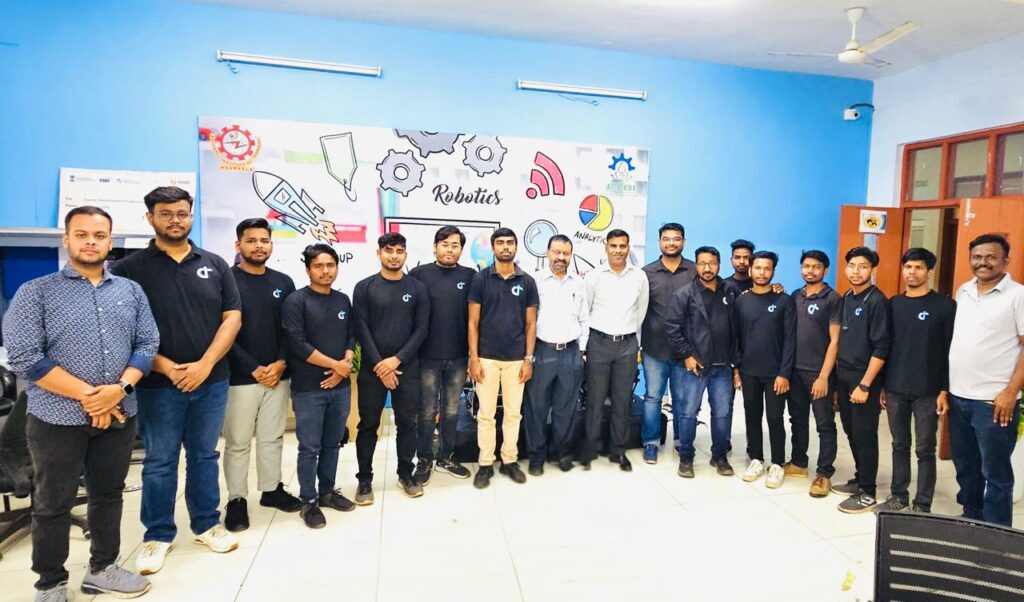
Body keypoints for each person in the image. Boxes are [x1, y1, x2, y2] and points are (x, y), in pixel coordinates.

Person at [4, 206, 159, 601]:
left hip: (119, 413)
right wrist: (93, 398)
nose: (91, 241)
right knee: (52, 502)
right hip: (56, 419)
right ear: (67, 239)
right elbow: (25, 356)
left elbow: (147, 344)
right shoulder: (36, 292)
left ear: (110, 241)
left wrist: (118, 391)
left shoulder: (130, 291)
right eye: (82, 234)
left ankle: (103, 568)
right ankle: (50, 582)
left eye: (99, 235)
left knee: (108, 494)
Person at [110, 187, 242, 574]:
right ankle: (158, 534)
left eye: (182, 213)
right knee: (160, 461)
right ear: (150, 217)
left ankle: (206, 524)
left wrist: (205, 364)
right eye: (165, 214)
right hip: (157, 385)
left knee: (204, 455)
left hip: (211, 381)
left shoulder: (215, 264)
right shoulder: (130, 269)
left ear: (191, 215)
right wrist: (167, 367)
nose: (175, 220)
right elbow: (124, 331)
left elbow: (232, 317)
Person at [222, 218, 301, 533]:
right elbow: (221, 333)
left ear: (271, 244)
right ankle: (236, 499)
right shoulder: (226, 281)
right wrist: (253, 367)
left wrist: (281, 362)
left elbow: (291, 330)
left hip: (278, 375)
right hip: (239, 378)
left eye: (264, 240)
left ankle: (271, 490)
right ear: (238, 244)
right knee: (238, 442)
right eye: (251, 240)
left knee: (272, 437)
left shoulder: (283, 282)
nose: (258, 246)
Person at [948, 233, 1024, 526]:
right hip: (959, 396)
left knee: (996, 474)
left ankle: (996, 534)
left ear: (1006, 260)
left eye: (991, 257)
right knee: (966, 467)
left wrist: (1010, 392)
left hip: (993, 402)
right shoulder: (964, 291)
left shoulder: (1018, 295)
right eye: (977, 257)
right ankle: (972, 518)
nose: (983, 262)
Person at [282, 244, 357, 529]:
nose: (326, 271)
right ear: (308, 269)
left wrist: (344, 363)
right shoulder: (296, 301)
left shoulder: (342, 300)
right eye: (319, 266)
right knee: (309, 447)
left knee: (332, 443)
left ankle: (327, 492)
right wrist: (336, 365)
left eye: (330, 265)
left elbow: (351, 335)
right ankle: (309, 501)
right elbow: (298, 344)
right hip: (309, 389)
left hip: (340, 387)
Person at [352, 233, 430, 500]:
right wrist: (380, 366)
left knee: (407, 424)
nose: (394, 256)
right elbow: (361, 330)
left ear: (405, 254)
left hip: (406, 368)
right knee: (368, 425)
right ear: (379, 253)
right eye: (388, 251)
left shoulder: (417, 288)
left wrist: (396, 360)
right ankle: (364, 480)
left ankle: (406, 474)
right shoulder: (364, 287)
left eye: (399, 251)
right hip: (372, 371)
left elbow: (421, 330)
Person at [878, 248, 955, 514]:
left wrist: (944, 389)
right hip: (896, 387)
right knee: (899, 445)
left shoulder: (945, 306)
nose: (912, 272)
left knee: (925, 449)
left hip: (928, 390)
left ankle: (922, 503)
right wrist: (884, 385)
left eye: (919, 267)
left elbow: (949, 351)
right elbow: (886, 347)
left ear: (929, 272)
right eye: (908, 267)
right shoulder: (893, 304)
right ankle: (898, 495)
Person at [468, 228, 538, 488]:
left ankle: (509, 461)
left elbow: (531, 324)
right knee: (486, 415)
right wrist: (474, 358)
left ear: (516, 247)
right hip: (486, 358)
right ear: (493, 247)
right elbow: (472, 322)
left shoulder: (527, 282)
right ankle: (485, 463)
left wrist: (528, 359)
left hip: (516, 359)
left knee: (513, 414)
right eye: (500, 243)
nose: (505, 247)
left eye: (510, 242)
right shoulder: (480, 279)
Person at [409, 226, 477, 483]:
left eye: (455, 245)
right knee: (427, 410)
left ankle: (446, 456)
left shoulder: (470, 276)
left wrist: (473, 355)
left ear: (461, 249)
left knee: (451, 410)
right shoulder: (419, 275)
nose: (450, 249)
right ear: (435, 247)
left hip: (458, 357)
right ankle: (425, 458)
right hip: (426, 356)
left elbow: (474, 319)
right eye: (445, 244)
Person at [665, 246, 739, 478]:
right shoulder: (684, 294)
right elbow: (672, 328)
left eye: (712, 263)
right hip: (694, 366)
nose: (707, 268)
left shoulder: (730, 291)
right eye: (702, 263)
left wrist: (735, 364)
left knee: (723, 412)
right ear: (696, 265)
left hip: (722, 366)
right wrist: (687, 355)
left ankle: (720, 456)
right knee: (688, 412)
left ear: (719, 265)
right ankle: (686, 457)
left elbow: (737, 328)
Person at [581, 229, 649, 471]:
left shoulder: (639, 277)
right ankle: (590, 448)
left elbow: (641, 312)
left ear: (628, 248)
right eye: (614, 246)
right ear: (606, 247)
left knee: (622, 401)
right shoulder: (594, 277)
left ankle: (618, 451)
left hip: (627, 345)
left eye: (623, 246)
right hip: (599, 343)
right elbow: (586, 310)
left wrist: (630, 337)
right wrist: (587, 346)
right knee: (595, 400)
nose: (618, 250)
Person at [524, 234, 589, 475]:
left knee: (566, 409)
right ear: (547, 253)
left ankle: (561, 453)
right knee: (536, 409)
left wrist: (582, 351)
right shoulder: (535, 281)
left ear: (570, 255)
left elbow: (584, 319)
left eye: (565, 253)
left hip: (570, 353)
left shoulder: (579, 283)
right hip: (542, 352)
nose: (561, 257)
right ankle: (536, 457)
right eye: (557, 252)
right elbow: (527, 320)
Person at [833, 246, 890, 514]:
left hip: (864, 378)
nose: (856, 271)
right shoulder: (847, 296)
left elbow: (882, 347)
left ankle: (868, 492)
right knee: (851, 430)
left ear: (873, 270)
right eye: (852, 266)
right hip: (844, 374)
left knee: (865, 435)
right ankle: (860, 478)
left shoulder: (877, 301)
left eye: (863, 266)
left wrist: (865, 385)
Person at [734, 251, 796, 489]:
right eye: (758, 268)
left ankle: (777, 463)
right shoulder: (742, 301)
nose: (762, 272)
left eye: (767, 268)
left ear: (773, 271)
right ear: (750, 270)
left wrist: (784, 373)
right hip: (749, 371)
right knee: (752, 415)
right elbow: (737, 338)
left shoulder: (784, 301)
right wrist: (737, 370)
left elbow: (790, 340)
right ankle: (756, 459)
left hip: (775, 373)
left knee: (774, 417)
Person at [639, 223, 696, 464]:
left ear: (683, 241)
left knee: (683, 401)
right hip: (654, 348)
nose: (671, 243)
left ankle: (682, 441)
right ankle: (651, 442)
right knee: (653, 397)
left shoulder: (695, 271)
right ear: (659, 242)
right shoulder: (646, 273)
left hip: (686, 351)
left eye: (676, 239)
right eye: (666, 239)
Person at [789, 250, 842, 497]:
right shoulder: (795, 296)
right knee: (797, 419)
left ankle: (824, 473)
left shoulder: (832, 299)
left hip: (819, 373)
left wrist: (823, 377)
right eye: (806, 266)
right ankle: (799, 463)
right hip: (795, 371)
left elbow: (835, 341)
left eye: (816, 267)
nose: (810, 271)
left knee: (824, 424)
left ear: (825, 270)